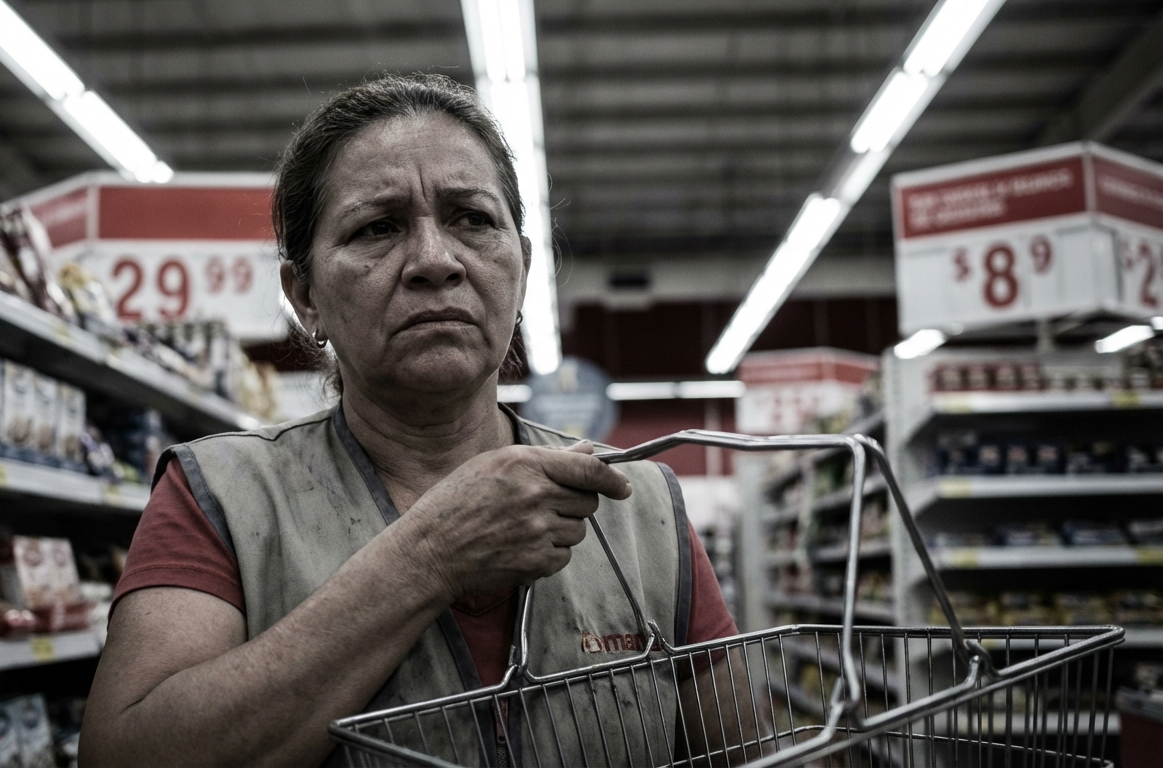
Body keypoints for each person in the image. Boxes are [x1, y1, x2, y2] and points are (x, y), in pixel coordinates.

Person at [81, 74, 751, 767]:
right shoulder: (219, 495)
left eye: (472, 219)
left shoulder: (643, 512)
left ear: (519, 269)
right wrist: (430, 555)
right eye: (378, 227)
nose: (435, 260)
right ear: (304, 296)